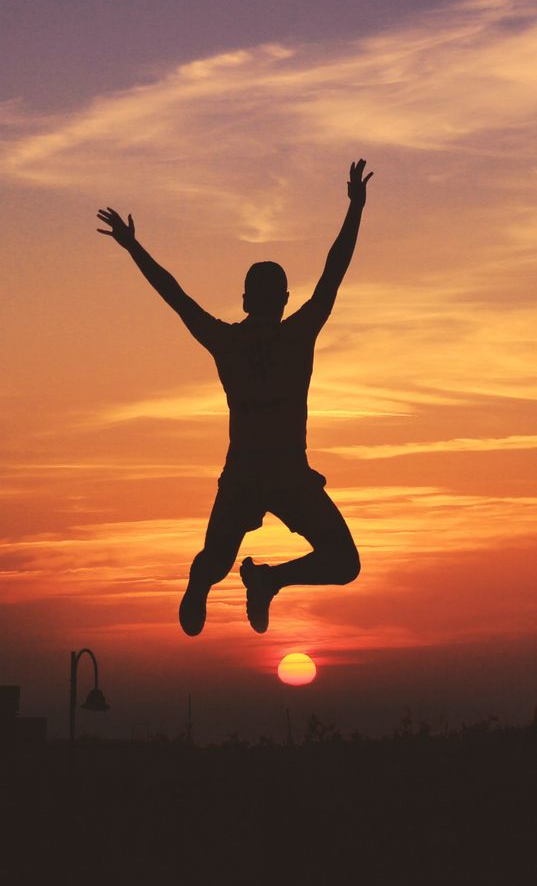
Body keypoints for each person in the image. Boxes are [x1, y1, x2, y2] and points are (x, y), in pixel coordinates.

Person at [97, 158, 373, 636]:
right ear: (283, 299)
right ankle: (226, 583)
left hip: (275, 472)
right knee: (324, 563)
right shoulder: (292, 334)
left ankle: (260, 580)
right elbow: (333, 272)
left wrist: (133, 247)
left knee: (228, 560)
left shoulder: (233, 340)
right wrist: (355, 209)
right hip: (261, 471)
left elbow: (175, 294)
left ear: (248, 300)